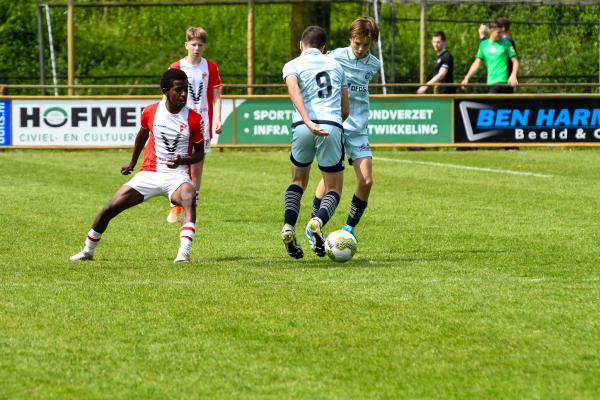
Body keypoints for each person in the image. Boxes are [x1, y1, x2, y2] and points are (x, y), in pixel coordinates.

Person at [69, 69, 205, 263]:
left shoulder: (194, 119)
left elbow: (200, 153)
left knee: (189, 197)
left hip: (177, 177)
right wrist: (132, 162)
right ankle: (87, 250)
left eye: (186, 90)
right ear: (166, 90)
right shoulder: (151, 111)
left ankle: (183, 254)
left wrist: (182, 161)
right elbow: (142, 135)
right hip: (150, 173)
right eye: (179, 90)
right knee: (109, 208)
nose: (184, 94)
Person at [308, 16, 380, 243]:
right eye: (356, 43)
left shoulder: (374, 64)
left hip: (358, 129)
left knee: (366, 180)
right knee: (331, 180)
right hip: (336, 124)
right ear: (350, 38)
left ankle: (349, 228)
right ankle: (314, 224)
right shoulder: (334, 57)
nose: (360, 49)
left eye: (365, 45)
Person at [280, 25, 349, 259]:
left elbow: (293, 91)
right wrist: (332, 125)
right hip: (330, 125)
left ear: (301, 45)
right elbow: (345, 108)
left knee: (298, 181)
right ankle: (317, 221)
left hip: (302, 126)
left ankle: (288, 226)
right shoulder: (337, 66)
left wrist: (308, 121)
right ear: (323, 47)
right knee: (333, 187)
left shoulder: (293, 65)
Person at [166, 27, 222, 224]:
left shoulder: (211, 67)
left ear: (204, 46)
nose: (196, 48)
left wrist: (217, 119)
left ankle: (192, 204)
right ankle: (176, 204)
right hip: (180, 122)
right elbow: (167, 95)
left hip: (203, 122)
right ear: (186, 45)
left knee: (197, 165)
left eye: (200, 44)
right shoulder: (176, 67)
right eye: (193, 44)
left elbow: (216, 95)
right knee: (178, 163)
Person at [461, 21, 519, 93]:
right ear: (491, 31)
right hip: (490, 83)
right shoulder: (484, 45)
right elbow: (476, 63)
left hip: (502, 82)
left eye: (501, 32)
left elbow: (515, 61)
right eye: (498, 32)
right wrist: (467, 78)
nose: (501, 35)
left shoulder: (506, 43)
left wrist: (513, 75)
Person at [478, 17, 517, 93]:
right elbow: (490, 46)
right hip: (497, 80)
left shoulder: (507, 41)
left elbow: (514, 61)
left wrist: (482, 36)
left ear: (502, 28)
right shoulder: (502, 41)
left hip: (504, 80)